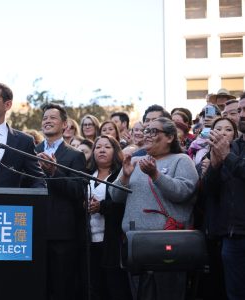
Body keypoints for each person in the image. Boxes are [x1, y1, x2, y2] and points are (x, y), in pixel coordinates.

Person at [110, 117, 199, 300]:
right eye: (146, 131)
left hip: (168, 243)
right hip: (135, 243)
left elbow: (183, 192)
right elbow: (115, 197)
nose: (147, 135)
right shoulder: (135, 160)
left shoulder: (181, 160)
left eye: (153, 131)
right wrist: (124, 178)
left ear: (170, 137)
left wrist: (155, 174)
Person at [35, 103, 87, 300]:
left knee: (61, 288)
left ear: (65, 124)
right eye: (45, 118)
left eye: (52, 118)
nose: (47, 121)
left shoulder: (75, 156)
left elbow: (78, 190)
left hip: (62, 234)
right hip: (34, 230)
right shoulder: (30, 152)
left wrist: (53, 172)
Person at [203, 96, 245, 300]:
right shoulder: (231, 147)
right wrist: (215, 164)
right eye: (242, 110)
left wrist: (227, 156)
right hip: (233, 236)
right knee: (234, 294)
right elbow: (209, 189)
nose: (243, 115)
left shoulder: (229, 151)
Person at [195, 117, 238, 300]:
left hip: (235, 231)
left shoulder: (239, 157)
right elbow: (206, 193)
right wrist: (212, 168)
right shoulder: (206, 158)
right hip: (213, 230)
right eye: (218, 128)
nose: (222, 132)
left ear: (235, 135)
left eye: (228, 129)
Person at [87, 135, 132, 300]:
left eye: (107, 147)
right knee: (94, 288)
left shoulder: (120, 175)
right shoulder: (86, 175)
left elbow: (124, 204)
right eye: (98, 147)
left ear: (115, 151)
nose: (102, 150)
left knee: (115, 287)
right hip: (89, 242)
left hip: (112, 242)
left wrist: (102, 206)